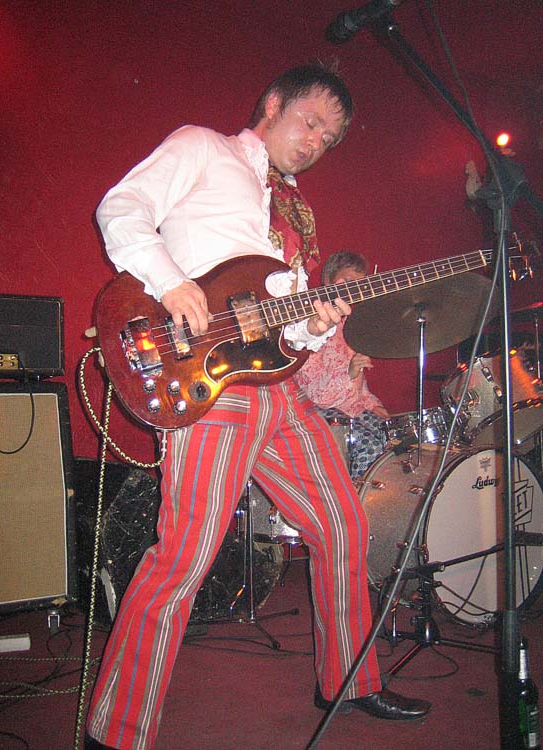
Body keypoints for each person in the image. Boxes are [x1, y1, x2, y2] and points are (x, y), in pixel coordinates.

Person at [85, 63, 430, 750]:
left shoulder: (289, 218)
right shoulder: (203, 148)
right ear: (272, 105)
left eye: (328, 139)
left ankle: (349, 681)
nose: (316, 143)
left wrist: (315, 325)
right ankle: (115, 733)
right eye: (311, 122)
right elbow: (119, 208)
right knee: (183, 559)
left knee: (343, 524)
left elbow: (286, 332)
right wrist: (171, 282)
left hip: (281, 393)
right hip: (212, 388)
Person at [293, 251, 389, 477]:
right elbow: (316, 395)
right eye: (346, 281)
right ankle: (351, 498)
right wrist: (349, 372)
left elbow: (358, 390)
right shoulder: (310, 325)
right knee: (370, 446)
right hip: (312, 412)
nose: (353, 289)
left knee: (392, 438)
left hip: (350, 411)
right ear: (328, 281)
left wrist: (373, 405)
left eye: (359, 284)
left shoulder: (352, 326)